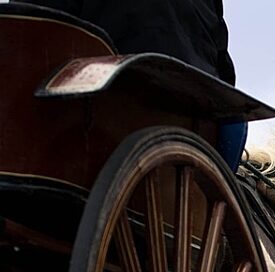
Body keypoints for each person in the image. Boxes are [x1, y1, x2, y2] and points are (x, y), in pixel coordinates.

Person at [26, 0, 247, 170]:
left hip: (61, 133)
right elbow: (224, 72)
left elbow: (28, 34)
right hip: (178, 133)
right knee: (236, 120)